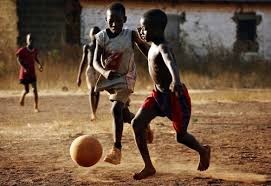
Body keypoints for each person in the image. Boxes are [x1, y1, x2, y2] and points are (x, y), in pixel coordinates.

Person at [131, 9, 211, 180]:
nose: (141, 31)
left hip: (175, 96)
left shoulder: (163, 47)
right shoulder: (153, 46)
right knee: (137, 123)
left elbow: (170, 62)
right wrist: (139, 43)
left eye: (144, 28)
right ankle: (148, 166)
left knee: (181, 137)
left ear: (158, 30)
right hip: (158, 96)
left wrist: (176, 80)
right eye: (141, 28)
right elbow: (151, 59)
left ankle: (203, 150)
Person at [93, 2, 153, 165]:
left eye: (118, 20)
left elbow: (148, 51)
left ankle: (116, 149)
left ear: (124, 19)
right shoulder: (101, 38)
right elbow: (95, 62)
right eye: (111, 20)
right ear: (106, 20)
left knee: (115, 109)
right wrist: (104, 72)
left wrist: (158, 60)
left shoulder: (131, 35)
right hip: (110, 79)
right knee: (123, 114)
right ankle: (143, 123)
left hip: (127, 77)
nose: (114, 23)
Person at [77, 26, 101, 121]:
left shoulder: (102, 47)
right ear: (90, 35)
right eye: (93, 34)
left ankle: (95, 111)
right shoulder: (87, 47)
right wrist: (79, 76)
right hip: (90, 69)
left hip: (99, 69)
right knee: (91, 90)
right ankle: (93, 113)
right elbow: (83, 62)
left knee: (98, 90)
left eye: (97, 34)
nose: (95, 36)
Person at [16, 33, 43, 113]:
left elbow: (35, 58)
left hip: (32, 73)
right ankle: (22, 96)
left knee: (35, 89)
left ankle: (36, 107)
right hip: (25, 73)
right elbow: (18, 58)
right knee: (27, 90)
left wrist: (39, 65)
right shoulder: (23, 50)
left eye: (32, 39)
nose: (31, 41)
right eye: (29, 39)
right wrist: (24, 67)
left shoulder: (34, 50)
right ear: (27, 41)